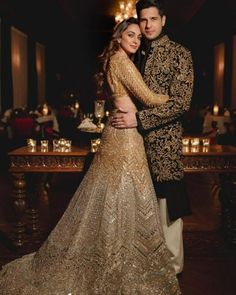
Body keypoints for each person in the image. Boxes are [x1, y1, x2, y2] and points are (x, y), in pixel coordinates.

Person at [0, 18, 181, 294]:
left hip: (118, 131)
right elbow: (148, 97)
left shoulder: (114, 61)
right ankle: (115, 258)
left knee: (112, 193)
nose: (135, 40)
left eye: (138, 37)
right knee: (123, 193)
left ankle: (114, 252)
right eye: (130, 34)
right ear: (118, 37)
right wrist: (177, 100)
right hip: (125, 136)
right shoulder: (122, 62)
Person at [111, 0, 194, 275]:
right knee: (136, 203)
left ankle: (172, 268)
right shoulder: (133, 51)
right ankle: (143, 262)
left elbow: (181, 103)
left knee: (167, 202)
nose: (147, 26)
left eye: (153, 19)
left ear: (164, 20)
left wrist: (140, 119)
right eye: (143, 20)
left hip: (164, 141)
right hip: (131, 141)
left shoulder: (180, 54)